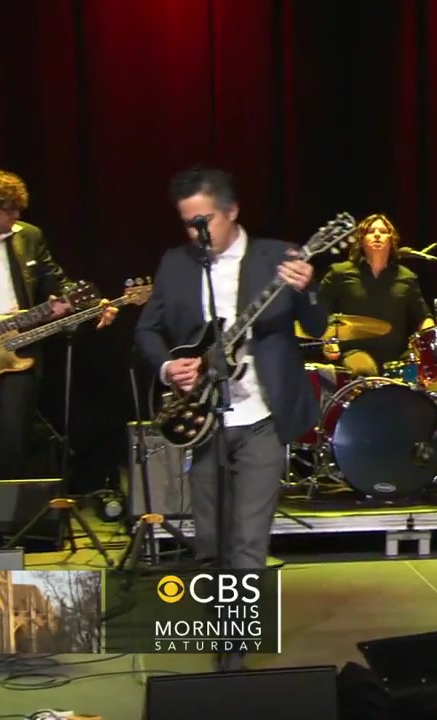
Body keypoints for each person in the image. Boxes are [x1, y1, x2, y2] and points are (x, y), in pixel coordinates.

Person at [134, 166, 326, 671]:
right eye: (188, 223)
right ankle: (218, 623)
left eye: (205, 221)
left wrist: (308, 289)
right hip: (204, 420)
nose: (197, 232)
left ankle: (233, 656)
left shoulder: (279, 257)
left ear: (232, 211)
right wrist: (168, 366)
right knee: (211, 542)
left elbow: (318, 325)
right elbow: (147, 330)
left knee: (248, 541)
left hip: (263, 417)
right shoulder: (176, 263)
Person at [0, 168, 117, 481]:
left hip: (19, 348)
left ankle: (9, 509)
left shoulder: (29, 235)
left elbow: (56, 280)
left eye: (18, 209)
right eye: (8, 210)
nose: (16, 216)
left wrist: (89, 303)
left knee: (14, 441)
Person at [318, 213, 434, 376]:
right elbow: (318, 311)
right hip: (354, 353)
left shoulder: (407, 277)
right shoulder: (340, 272)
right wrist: (328, 342)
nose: (377, 235)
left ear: (391, 240)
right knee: (364, 370)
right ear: (361, 240)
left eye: (383, 231)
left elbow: (423, 317)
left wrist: (430, 340)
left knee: (423, 373)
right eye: (371, 231)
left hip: (397, 357)